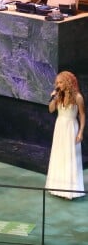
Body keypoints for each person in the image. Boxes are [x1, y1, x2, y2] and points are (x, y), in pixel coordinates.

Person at [45, 71, 86, 199]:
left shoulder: (78, 97)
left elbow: (82, 115)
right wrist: (54, 97)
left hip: (71, 128)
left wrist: (80, 132)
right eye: (57, 82)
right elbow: (51, 109)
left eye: (60, 82)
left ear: (68, 82)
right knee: (59, 155)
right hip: (60, 128)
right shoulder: (59, 96)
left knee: (70, 157)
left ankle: (70, 190)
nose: (58, 85)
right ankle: (58, 187)